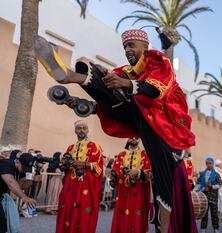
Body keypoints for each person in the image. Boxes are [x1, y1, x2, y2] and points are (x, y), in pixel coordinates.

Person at [33, 29, 196, 233]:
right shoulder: (127, 71)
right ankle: (69, 76)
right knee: (111, 88)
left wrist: (125, 84)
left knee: (165, 190)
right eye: (125, 46)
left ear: (145, 46)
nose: (127, 49)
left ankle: (166, 230)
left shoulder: (157, 60)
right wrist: (98, 87)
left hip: (167, 128)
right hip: (142, 119)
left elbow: (157, 89)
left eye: (131, 45)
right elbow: (114, 90)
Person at [55, 120, 103, 233]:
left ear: (87, 130)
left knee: (82, 211)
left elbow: (98, 167)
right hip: (70, 185)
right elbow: (65, 167)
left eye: (84, 128)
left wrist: (83, 164)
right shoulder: (70, 148)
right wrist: (63, 165)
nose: (81, 130)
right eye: (79, 128)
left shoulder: (94, 146)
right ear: (75, 130)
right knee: (67, 210)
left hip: (85, 184)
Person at [110, 138, 151, 233]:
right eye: (131, 137)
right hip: (123, 192)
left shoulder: (145, 154)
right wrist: (114, 175)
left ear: (140, 140)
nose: (133, 139)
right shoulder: (121, 155)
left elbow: (149, 172)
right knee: (122, 215)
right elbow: (115, 170)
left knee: (137, 216)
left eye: (136, 138)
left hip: (138, 191)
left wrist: (138, 172)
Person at [0, 153, 37, 233]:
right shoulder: (6, 164)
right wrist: (24, 197)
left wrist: (30, 178)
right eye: (23, 168)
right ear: (17, 161)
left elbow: (20, 187)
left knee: (3, 224)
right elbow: (10, 182)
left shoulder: (20, 169)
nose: (24, 170)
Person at [198, 157, 222, 233]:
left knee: (214, 214)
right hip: (204, 197)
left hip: (213, 197)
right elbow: (198, 183)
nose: (208, 165)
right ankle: (203, 229)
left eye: (210, 163)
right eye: (207, 163)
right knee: (204, 214)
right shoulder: (203, 174)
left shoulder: (216, 174)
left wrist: (211, 186)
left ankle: (216, 229)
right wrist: (203, 188)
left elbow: (220, 184)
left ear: (212, 164)